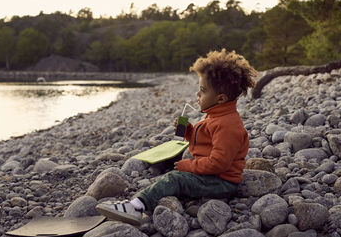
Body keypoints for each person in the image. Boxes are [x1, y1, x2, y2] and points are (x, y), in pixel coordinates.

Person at [96, 49, 258, 225]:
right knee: (171, 166)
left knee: (175, 178)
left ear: (220, 98)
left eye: (203, 91)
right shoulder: (217, 115)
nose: (198, 94)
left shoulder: (227, 125)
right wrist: (189, 131)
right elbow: (207, 141)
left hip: (221, 182)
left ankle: (137, 206)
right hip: (213, 175)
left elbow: (219, 163)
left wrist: (188, 166)